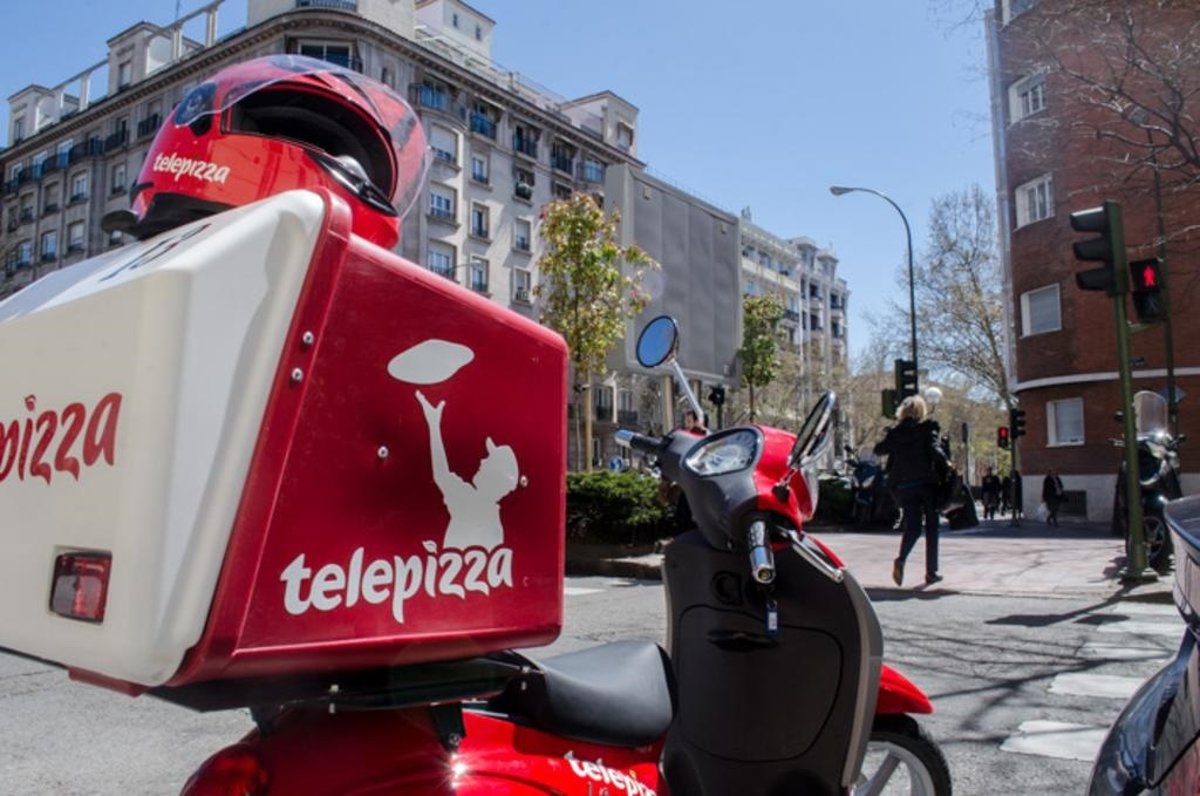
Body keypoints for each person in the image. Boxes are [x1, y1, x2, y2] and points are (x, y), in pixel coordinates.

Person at [874, 395, 942, 587]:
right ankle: (931, 572)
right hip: (927, 484)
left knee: (913, 527)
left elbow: (879, 450)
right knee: (932, 527)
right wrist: (946, 463)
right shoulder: (927, 428)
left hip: (904, 485)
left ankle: (901, 559)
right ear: (922, 411)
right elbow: (934, 450)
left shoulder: (896, 433)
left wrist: (891, 439)